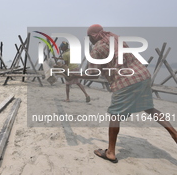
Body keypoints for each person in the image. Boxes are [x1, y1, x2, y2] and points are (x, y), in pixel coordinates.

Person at [69, 24, 177, 163]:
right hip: (143, 76)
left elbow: (93, 74)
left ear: (93, 36)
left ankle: (111, 152)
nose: (89, 39)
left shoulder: (97, 49)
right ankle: (174, 134)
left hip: (125, 81)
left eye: (89, 37)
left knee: (115, 114)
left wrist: (75, 75)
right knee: (149, 107)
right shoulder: (116, 38)